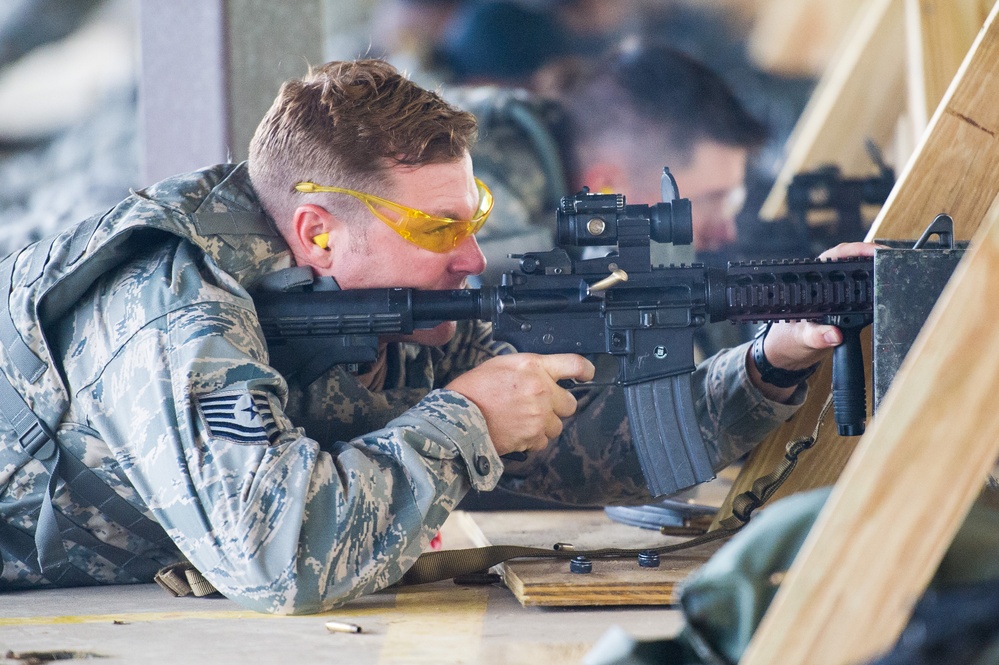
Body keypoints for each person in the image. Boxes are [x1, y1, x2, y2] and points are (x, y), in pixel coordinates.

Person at [0, 59, 858, 614]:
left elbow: (587, 447)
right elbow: (286, 558)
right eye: (441, 227)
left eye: (474, 217)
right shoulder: (173, 307)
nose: (475, 255)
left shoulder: (399, 307)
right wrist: (463, 420)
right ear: (320, 230)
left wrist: (767, 360)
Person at [451, 39, 768, 286]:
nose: (728, 232)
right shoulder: (485, 192)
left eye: (731, 200)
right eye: (707, 201)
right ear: (607, 188)